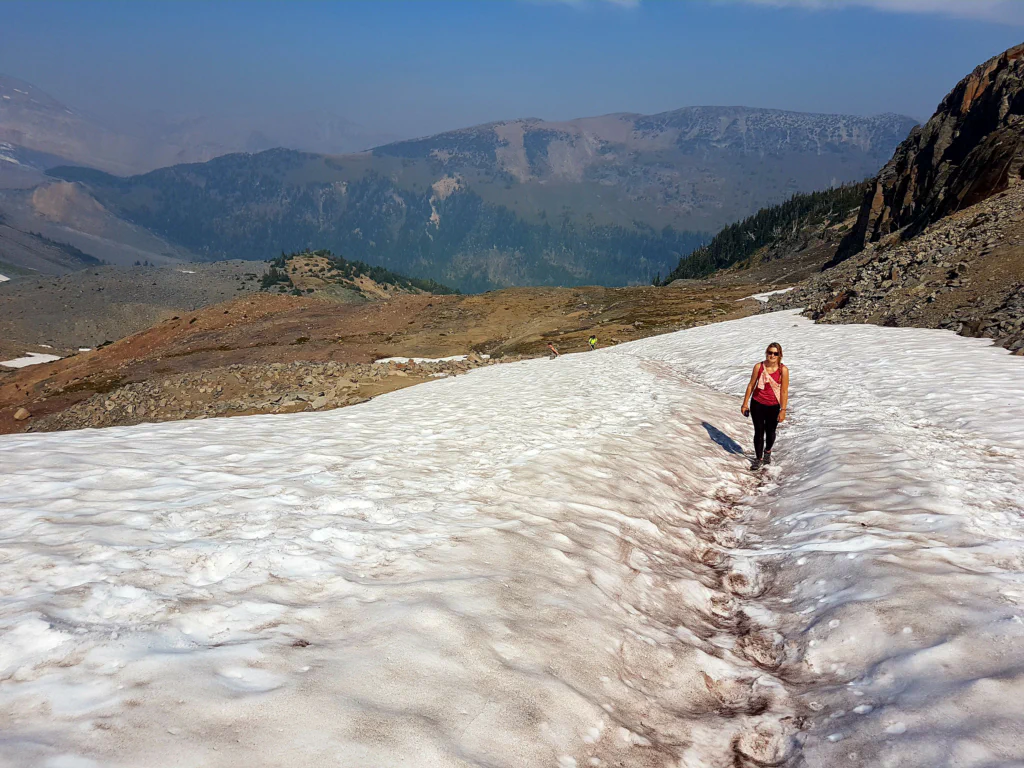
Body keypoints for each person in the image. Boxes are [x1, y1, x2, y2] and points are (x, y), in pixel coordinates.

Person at [740, 342, 788, 470]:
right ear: (766, 353)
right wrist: (745, 404)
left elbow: (784, 391)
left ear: (779, 355)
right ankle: (758, 458)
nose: (772, 355)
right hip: (757, 403)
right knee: (759, 431)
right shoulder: (758, 367)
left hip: (773, 405)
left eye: (775, 353)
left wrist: (783, 410)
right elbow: (751, 385)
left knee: (771, 432)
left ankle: (767, 451)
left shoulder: (783, 370)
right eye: (770, 352)